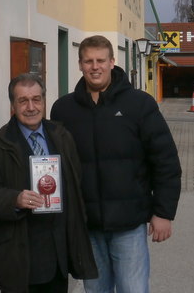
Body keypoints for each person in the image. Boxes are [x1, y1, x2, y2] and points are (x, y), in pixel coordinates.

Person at [50, 35, 182, 293]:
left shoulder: (139, 104)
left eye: (100, 60)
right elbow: (57, 167)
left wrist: (163, 212)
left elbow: (165, 161)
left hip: (129, 225)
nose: (95, 66)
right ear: (80, 64)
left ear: (112, 62)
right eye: (88, 61)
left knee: (133, 289)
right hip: (87, 226)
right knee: (96, 290)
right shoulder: (63, 110)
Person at [0, 74, 98, 293]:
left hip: (57, 252)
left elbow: (76, 185)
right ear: (13, 105)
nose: (31, 107)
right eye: (23, 100)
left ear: (44, 101)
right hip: (20, 252)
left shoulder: (62, 135)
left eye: (36, 99)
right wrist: (15, 199)